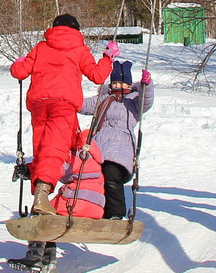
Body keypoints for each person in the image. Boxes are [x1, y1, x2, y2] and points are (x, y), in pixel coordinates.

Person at [9, 14, 115, 215]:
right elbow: (97, 76)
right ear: (76, 31)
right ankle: (42, 195)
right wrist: (108, 58)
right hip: (63, 106)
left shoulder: (41, 47)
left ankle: (41, 198)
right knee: (54, 150)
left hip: (40, 105)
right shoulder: (79, 49)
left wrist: (19, 61)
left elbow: (19, 72)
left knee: (41, 150)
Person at [80, 60, 154, 220]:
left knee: (111, 172)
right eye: (115, 83)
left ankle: (115, 213)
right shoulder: (103, 98)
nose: (118, 86)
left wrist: (146, 86)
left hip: (121, 146)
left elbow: (146, 102)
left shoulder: (133, 100)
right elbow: (81, 104)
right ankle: (91, 210)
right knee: (90, 175)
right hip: (98, 145)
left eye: (122, 83)